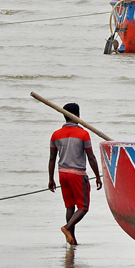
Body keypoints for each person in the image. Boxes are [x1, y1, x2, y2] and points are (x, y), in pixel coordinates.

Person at [48, 103, 103, 246]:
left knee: (70, 206)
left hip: (62, 174)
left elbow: (52, 158)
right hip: (77, 174)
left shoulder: (56, 134)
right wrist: (98, 176)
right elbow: (91, 157)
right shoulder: (83, 134)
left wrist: (51, 179)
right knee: (83, 207)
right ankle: (67, 228)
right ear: (77, 116)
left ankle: (72, 239)